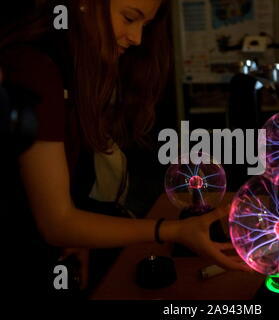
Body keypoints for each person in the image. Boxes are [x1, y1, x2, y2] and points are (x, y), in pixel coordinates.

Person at [0, 0, 247, 298]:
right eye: (130, 18)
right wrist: (172, 230)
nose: (137, 38)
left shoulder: (72, 65)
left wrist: (83, 235)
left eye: (145, 25)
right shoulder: (34, 66)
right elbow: (56, 222)